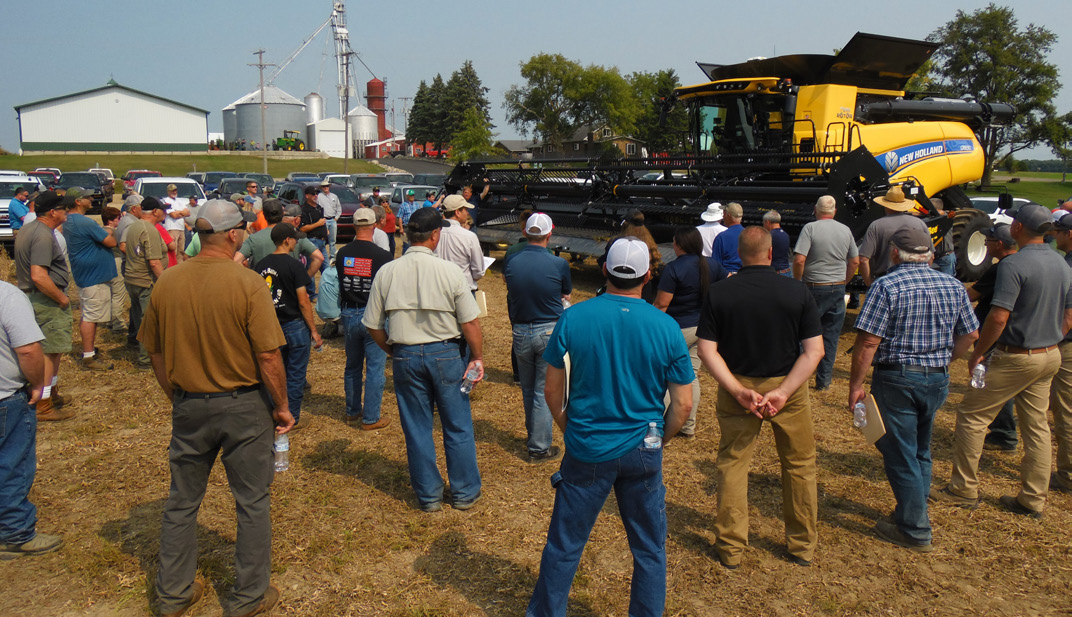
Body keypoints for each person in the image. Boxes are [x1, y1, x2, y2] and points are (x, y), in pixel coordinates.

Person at [527, 237, 694, 617]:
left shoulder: (574, 317)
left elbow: (552, 391)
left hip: (587, 446)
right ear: (649, 275)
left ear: (605, 270)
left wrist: (570, 429)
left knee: (565, 544)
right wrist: (658, 440)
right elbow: (682, 404)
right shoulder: (666, 327)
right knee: (650, 548)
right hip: (643, 447)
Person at [140, 199, 291, 617]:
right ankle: (248, 597)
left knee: (182, 501)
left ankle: (172, 595)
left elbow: (152, 348)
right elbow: (268, 356)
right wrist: (282, 406)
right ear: (232, 234)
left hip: (189, 404)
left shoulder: (167, 282)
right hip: (243, 406)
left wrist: (174, 393)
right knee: (252, 502)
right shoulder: (246, 284)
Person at [932, 205, 1072, 518]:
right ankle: (1033, 498)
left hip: (1016, 355)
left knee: (971, 416)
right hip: (1050, 355)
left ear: (1019, 227)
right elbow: (1069, 313)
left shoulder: (1014, 265)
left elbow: (998, 316)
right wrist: (1051, 338)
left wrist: (980, 351)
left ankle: (962, 488)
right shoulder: (1062, 264)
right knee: (1036, 427)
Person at [696, 226, 824, 568]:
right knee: (798, 465)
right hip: (788, 387)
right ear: (770, 254)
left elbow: (707, 349)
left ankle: (731, 547)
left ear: (739, 254)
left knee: (733, 464)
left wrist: (737, 390)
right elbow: (814, 351)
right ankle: (802, 546)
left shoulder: (720, 293)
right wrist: (783, 392)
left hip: (738, 385)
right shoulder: (796, 292)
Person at [848, 226, 979, 552]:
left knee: (899, 453)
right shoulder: (953, 286)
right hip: (937, 378)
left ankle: (915, 528)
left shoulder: (886, 286)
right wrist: (946, 359)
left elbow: (868, 342)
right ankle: (912, 508)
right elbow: (970, 335)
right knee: (921, 447)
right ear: (932, 255)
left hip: (897, 379)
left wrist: (855, 385)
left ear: (894, 253)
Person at [362, 207, 485, 512]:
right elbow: (470, 323)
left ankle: (429, 496)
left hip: (405, 354)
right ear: (435, 235)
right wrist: (477, 357)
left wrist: (392, 350)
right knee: (457, 425)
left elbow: (373, 324)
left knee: (417, 427)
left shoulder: (387, 272)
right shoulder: (450, 271)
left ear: (405, 234)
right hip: (446, 353)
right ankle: (465, 492)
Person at [503, 213, 572, 460]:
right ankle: (539, 446)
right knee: (544, 390)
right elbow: (565, 293)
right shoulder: (558, 264)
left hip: (521, 330)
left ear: (525, 232)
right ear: (549, 234)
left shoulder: (511, 261)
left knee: (528, 388)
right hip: (549, 330)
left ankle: (534, 435)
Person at [0, 279, 60, 560]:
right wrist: (38, 384)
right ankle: (14, 533)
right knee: (12, 463)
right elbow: (27, 349)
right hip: (5, 398)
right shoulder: (8, 297)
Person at [653, 226, 729, 436]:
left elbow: (661, 304)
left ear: (678, 245)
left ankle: (660, 422)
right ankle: (688, 426)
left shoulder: (674, 268)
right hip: (704, 329)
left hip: (678, 329)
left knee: (664, 376)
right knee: (691, 376)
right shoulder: (712, 264)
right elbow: (728, 283)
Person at [254, 223, 323, 431]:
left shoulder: (261, 265)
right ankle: (292, 417)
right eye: (294, 238)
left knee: (273, 374)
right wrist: (313, 330)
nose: (296, 241)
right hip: (294, 327)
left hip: (271, 327)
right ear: (286, 240)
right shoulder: (294, 265)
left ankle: (273, 415)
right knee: (295, 375)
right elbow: (303, 302)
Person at [13, 191, 73, 421]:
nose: (66, 212)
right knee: (49, 351)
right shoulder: (44, 235)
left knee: (53, 350)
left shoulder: (29, 229)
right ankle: (43, 405)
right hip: (45, 299)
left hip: (35, 297)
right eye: (63, 208)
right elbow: (38, 275)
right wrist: (61, 298)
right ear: (52, 212)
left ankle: (51, 393)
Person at [792, 195, 860, 391]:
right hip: (837, 286)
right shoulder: (845, 230)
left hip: (813, 286)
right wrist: (844, 282)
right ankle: (823, 382)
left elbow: (798, 260)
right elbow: (854, 261)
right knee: (830, 336)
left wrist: (798, 282)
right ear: (835, 212)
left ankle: (798, 379)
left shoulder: (810, 229)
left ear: (815, 209)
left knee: (803, 333)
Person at [334, 208, 393, 429]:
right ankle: (371, 418)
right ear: (375, 226)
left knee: (352, 365)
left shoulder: (342, 253)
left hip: (349, 312)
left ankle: (352, 411)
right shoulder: (382, 256)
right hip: (374, 314)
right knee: (375, 368)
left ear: (353, 226)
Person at [965, 224, 1019, 452]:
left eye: (988, 240)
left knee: (995, 383)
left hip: (995, 335)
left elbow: (973, 294)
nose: (985, 243)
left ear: (999, 244)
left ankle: (1003, 433)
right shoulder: (1020, 264)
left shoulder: (1001, 269)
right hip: (1017, 335)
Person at [61, 187, 117, 371]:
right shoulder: (84, 222)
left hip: (85, 273)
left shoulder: (68, 220)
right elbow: (110, 242)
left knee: (88, 313)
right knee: (91, 316)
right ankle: (88, 356)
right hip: (93, 276)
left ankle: (89, 349)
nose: (91, 199)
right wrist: (110, 231)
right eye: (87, 197)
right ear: (78, 201)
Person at [123, 197, 167, 369]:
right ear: (155, 211)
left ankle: (136, 344)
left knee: (138, 317)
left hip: (133, 278)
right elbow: (154, 262)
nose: (165, 212)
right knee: (148, 320)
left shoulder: (135, 225)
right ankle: (145, 359)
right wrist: (165, 283)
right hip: (146, 281)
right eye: (163, 209)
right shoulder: (149, 229)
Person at [858, 186, 930, 286]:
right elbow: (931, 255)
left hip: (884, 279)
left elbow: (863, 259)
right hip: (915, 278)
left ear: (886, 205)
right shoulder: (920, 223)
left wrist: (869, 284)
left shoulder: (876, 225)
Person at [235, 200, 324, 275]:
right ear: (282, 215)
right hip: (289, 289)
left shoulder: (253, 239)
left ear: (264, 216)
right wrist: (304, 280)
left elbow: (236, 260)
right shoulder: (295, 235)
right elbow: (319, 258)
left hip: (262, 289)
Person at [1049, 213, 1072, 494]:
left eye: (1061, 232)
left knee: (1065, 410)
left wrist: (1052, 340)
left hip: (1067, 343)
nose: (1056, 235)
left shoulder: (1068, 266)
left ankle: (1067, 475)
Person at [435, 195, 484, 292]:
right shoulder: (469, 236)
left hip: (439, 290)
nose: (467, 212)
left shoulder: (434, 234)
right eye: (465, 209)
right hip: (463, 291)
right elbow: (478, 271)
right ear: (457, 212)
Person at [100, 206, 129, 334]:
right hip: (116, 262)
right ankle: (117, 322)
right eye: (118, 218)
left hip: (103, 263)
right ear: (111, 220)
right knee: (118, 293)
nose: (120, 220)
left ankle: (109, 319)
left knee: (109, 292)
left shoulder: (99, 230)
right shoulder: (112, 232)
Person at [298, 186, 328, 274]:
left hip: (322, 242)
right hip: (312, 241)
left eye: (317, 194)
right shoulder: (304, 209)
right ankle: (310, 288)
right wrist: (317, 224)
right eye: (313, 194)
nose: (316, 196)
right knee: (311, 269)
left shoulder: (319, 208)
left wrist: (326, 230)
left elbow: (322, 222)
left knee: (327, 269)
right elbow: (302, 228)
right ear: (307, 196)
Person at [710, 202, 745, 273]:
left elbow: (716, 265)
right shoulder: (749, 235)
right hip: (745, 275)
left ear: (728, 215)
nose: (723, 216)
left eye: (724, 214)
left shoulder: (721, 237)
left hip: (727, 276)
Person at [162, 184, 190, 261]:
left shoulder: (180, 201)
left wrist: (178, 212)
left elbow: (188, 213)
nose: (174, 192)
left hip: (181, 228)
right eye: (172, 190)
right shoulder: (166, 201)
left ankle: (179, 267)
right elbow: (173, 215)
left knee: (181, 250)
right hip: (171, 228)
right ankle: (172, 266)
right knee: (173, 250)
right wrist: (181, 212)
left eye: (175, 190)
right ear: (168, 191)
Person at [317, 180, 342, 261]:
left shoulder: (334, 196)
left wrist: (336, 218)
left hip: (332, 219)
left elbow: (339, 208)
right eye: (324, 186)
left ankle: (332, 256)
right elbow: (317, 209)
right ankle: (322, 256)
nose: (326, 188)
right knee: (323, 239)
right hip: (324, 220)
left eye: (327, 186)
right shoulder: (319, 196)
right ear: (321, 188)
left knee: (333, 240)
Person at [764, 210, 792, 275]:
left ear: (767, 222)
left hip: (776, 272)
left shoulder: (769, 236)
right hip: (787, 271)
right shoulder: (785, 235)